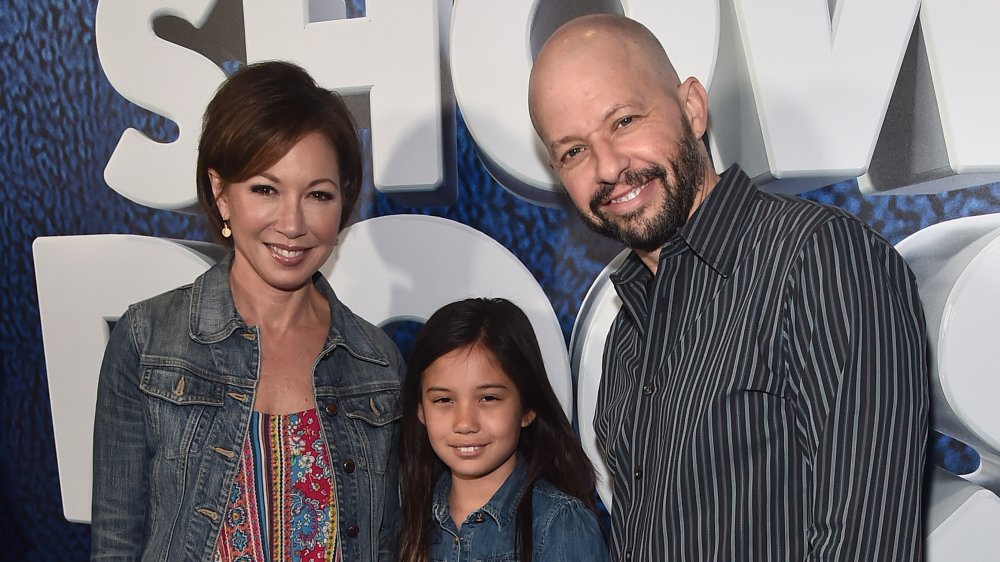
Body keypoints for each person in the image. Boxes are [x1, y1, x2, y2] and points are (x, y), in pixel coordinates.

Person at [528, 14, 928, 561]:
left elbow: (867, 544)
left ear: (692, 107)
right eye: (574, 150)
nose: (609, 166)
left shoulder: (817, 259)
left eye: (623, 121)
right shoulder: (627, 330)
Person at [91, 61, 404, 561]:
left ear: (344, 200)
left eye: (318, 195)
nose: (292, 223)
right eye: (265, 189)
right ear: (221, 193)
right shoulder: (148, 341)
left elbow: (386, 546)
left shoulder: (378, 366)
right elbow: (115, 544)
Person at [398, 298, 609, 562]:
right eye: (443, 400)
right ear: (420, 410)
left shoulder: (559, 524)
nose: (465, 423)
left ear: (527, 408)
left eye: (488, 398)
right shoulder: (411, 519)